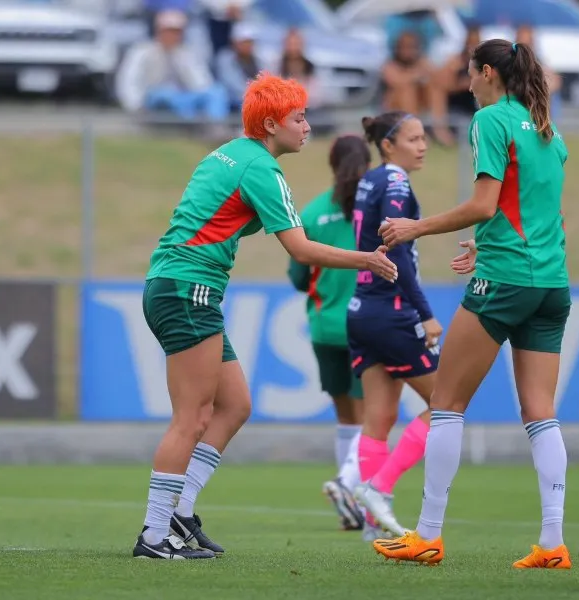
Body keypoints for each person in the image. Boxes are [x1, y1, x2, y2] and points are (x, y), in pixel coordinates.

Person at [132, 72, 398, 560]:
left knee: (234, 406)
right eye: (299, 118)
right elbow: (298, 249)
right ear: (273, 123)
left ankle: (179, 513)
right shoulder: (261, 170)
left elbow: (221, 218)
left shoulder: (231, 153)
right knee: (190, 419)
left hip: (182, 287)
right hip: (187, 289)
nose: (307, 126)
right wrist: (367, 258)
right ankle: (154, 535)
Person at [374, 39, 572, 569]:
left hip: (505, 282)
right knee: (540, 413)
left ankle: (428, 534)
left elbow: (485, 203)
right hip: (551, 283)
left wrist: (418, 226)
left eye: (469, 74)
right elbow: (538, 212)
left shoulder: (491, 120)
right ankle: (553, 542)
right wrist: (487, 240)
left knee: (445, 401)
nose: (465, 84)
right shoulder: (548, 131)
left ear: (488, 73)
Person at [347, 111, 443, 542]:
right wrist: (424, 311)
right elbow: (396, 250)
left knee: (379, 419)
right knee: (446, 405)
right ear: (388, 144)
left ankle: (373, 525)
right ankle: (379, 488)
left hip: (362, 310)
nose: (422, 145)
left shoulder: (370, 179)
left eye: (424, 138)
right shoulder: (397, 181)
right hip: (392, 310)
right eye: (414, 138)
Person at [287, 135, 374, 532]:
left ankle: (347, 501)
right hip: (367, 326)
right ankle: (357, 496)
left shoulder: (314, 211)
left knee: (346, 418)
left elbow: (298, 276)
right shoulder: (375, 211)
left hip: (325, 326)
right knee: (373, 420)